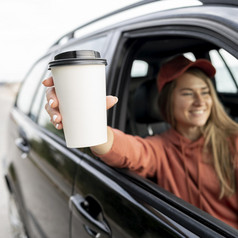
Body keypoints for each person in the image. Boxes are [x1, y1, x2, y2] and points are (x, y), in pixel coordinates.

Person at [43, 55, 238, 229]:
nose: (200, 101)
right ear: (167, 100)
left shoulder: (234, 140)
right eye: (187, 93)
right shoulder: (160, 148)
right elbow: (127, 150)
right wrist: (81, 115)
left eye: (205, 92)